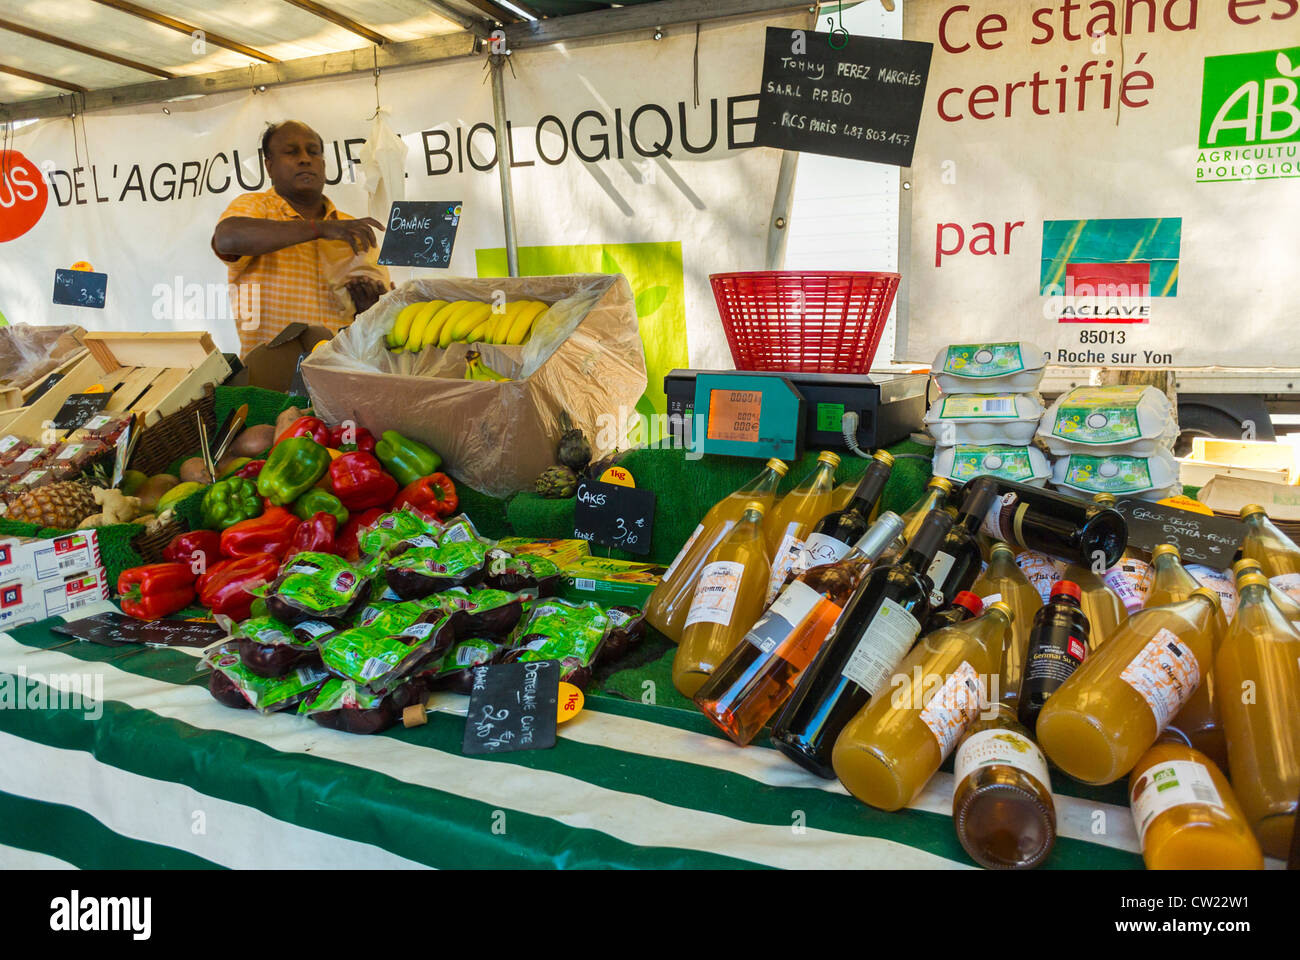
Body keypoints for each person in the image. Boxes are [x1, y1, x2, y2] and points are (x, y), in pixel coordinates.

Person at [212, 120, 391, 356]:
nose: (305, 159)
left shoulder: (350, 227)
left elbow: (372, 323)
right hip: (272, 377)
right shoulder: (255, 206)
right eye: (291, 152)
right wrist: (321, 229)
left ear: (324, 164)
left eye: (313, 152)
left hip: (340, 373)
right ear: (269, 166)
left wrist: (368, 308)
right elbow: (227, 238)